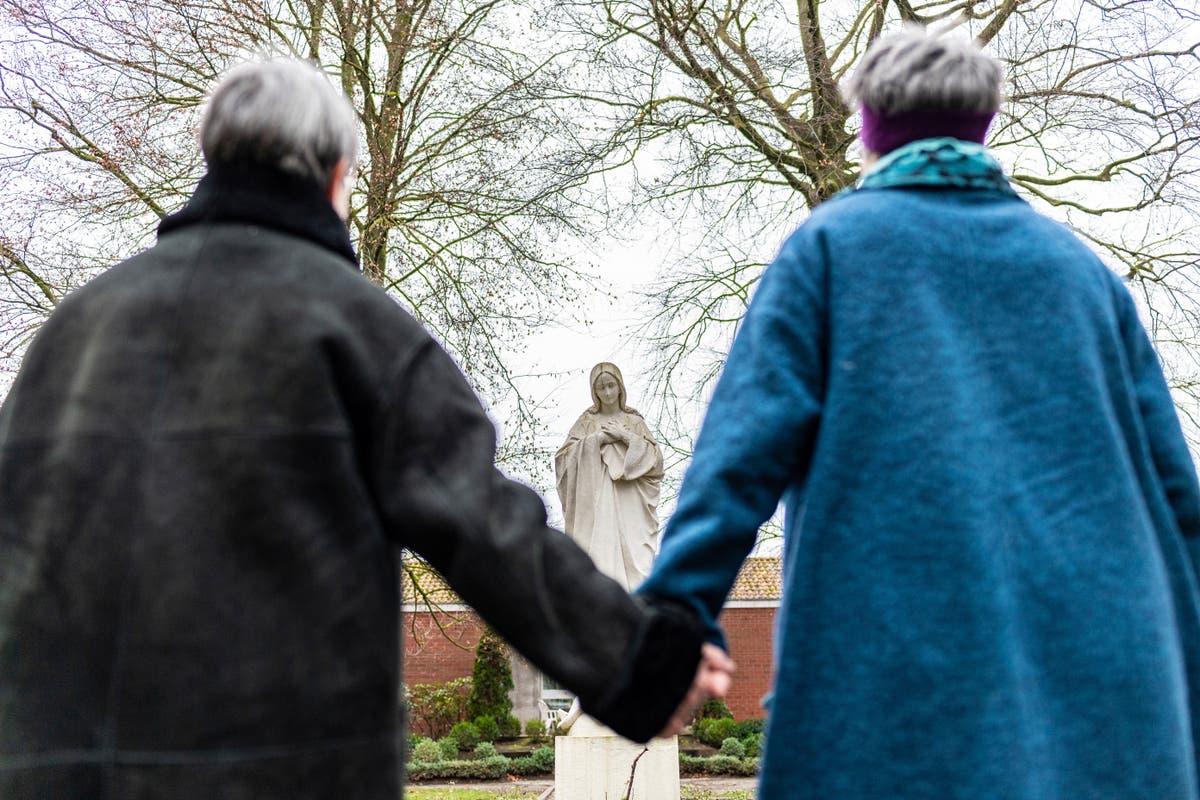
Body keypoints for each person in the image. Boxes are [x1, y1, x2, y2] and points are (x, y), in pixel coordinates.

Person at [0, 59, 731, 799]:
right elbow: (481, 522)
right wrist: (640, 660)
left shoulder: (71, 334)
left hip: (58, 768)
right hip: (283, 767)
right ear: (337, 175)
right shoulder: (353, 324)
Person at [637, 27, 1200, 800]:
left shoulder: (828, 252)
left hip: (897, 673)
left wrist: (676, 610)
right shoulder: (1085, 276)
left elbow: (739, 455)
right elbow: (1178, 500)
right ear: (984, 123)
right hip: (1104, 685)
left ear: (869, 127)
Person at [555, 362, 664, 591]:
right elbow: (563, 459)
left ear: (620, 387)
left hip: (630, 504)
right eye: (601, 388)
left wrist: (625, 436)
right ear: (594, 392)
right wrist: (598, 440)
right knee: (600, 558)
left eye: (611, 386)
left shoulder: (634, 422)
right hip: (597, 503)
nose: (607, 392)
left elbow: (655, 460)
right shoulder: (587, 422)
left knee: (637, 568)